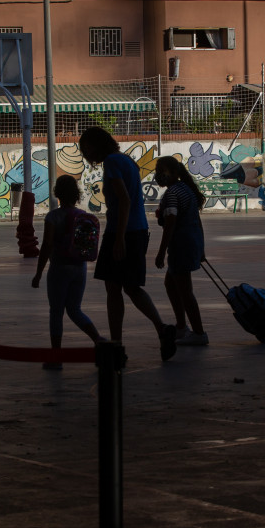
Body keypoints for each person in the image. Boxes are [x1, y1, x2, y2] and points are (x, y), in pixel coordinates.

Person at [77, 127, 177, 361]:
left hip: (123, 232)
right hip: (138, 230)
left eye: (85, 148)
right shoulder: (126, 161)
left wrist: (119, 237)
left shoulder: (112, 162)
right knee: (130, 287)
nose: (84, 153)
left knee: (113, 289)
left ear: (93, 145)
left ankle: (117, 344)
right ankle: (162, 330)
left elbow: (124, 200)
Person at [31, 175, 104, 370]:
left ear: (57, 194)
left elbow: (46, 245)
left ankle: (56, 357)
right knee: (74, 309)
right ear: (76, 194)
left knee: (56, 312)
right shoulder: (82, 215)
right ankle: (98, 339)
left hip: (59, 269)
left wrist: (38, 273)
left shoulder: (53, 216)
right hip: (79, 268)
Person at [153, 156, 208, 346]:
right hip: (190, 243)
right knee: (171, 284)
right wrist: (201, 247)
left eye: (161, 170)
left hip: (181, 246)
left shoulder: (172, 194)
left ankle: (199, 332)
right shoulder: (186, 190)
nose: (158, 174)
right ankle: (182, 326)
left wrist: (160, 253)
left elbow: (170, 225)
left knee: (185, 291)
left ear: (174, 173)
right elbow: (196, 222)